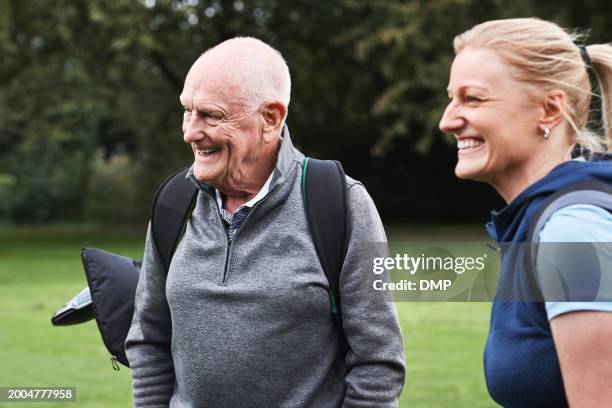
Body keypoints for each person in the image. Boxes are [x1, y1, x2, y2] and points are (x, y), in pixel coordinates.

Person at [125, 37, 405, 408]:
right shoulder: (175, 202)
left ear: (270, 118)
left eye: (211, 115)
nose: (190, 132)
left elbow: (378, 362)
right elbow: (148, 336)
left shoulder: (341, 203)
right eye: (187, 111)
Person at [439, 18, 612, 408]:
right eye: (451, 98)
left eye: (473, 99)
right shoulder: (547, 220)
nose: (447, 120)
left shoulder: (572, 232)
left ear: (550, 110)